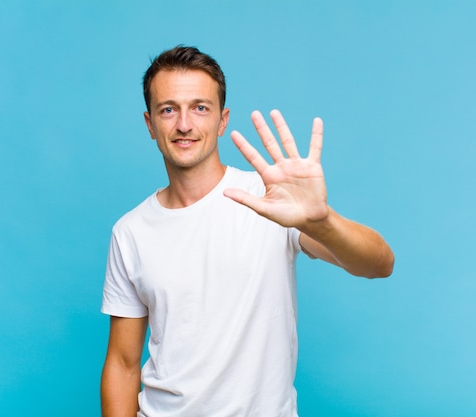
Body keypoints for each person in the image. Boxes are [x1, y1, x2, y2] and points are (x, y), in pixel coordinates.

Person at [100, 45, 394, 417]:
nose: (184, 124)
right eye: (169, 109)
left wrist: (320, 222)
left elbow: (379, 264)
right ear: (150, 124)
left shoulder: (272, 200)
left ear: (222, 121)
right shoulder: (131, 231)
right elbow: (123, 364)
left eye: (200, 108)